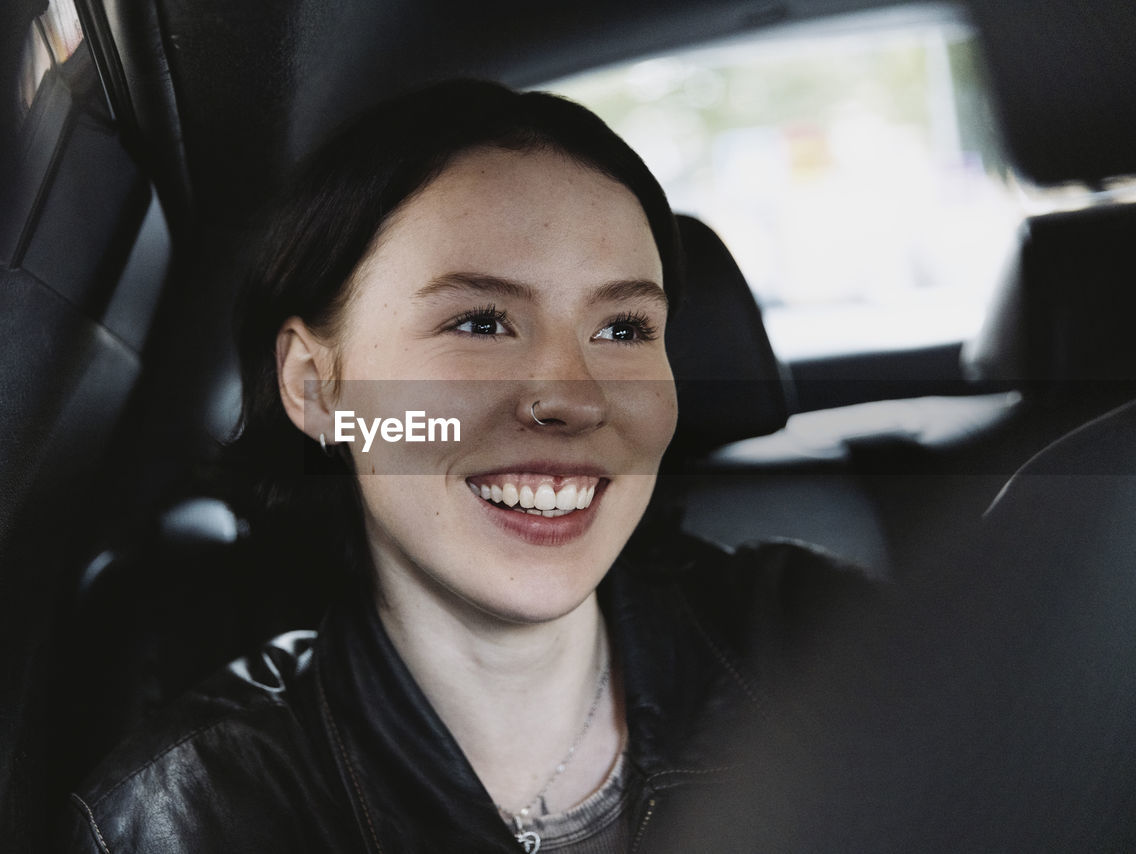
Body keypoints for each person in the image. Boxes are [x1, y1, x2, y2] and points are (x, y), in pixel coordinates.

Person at [59, 79, 869, 853]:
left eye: (623, 330)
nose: (572, 399)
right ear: (315, 385)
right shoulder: (193, 817)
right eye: (481, 323)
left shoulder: (831, 645)